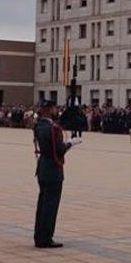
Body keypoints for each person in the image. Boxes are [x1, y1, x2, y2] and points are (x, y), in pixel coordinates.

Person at [33, 99, 78, 247]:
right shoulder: (53, 128)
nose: (56, 111)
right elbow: (59, 150)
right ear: (49, 109)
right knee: (50, 206)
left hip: (42, 167)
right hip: (53, 169)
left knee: (42, 204)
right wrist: (71, 143)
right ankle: (46, 238)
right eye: (54, 108)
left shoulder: (39, 125)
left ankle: (39, 236)